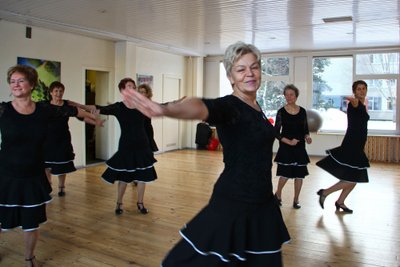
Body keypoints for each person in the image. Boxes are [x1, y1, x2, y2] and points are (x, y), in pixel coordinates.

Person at [122, 41, 290, 267]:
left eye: (255, 67)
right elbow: (201, 106)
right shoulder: (229, 106)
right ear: (230, 76)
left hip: (262, 202)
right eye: (241, 69)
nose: (249, 73)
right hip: (234, 202)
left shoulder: (256, 106)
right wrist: (165, 109)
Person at [0, 65, 99, 267]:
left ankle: (29, 257)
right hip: (6, 176)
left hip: (34, 176)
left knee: (31, 222)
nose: (15, 85)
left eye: (20, 80)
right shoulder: (3, 110)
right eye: (12, 81)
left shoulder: (44, 110)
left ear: (32, 84)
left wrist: (90, 116)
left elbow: (69, 109)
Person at [94, 78, 158, 215]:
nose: (133, 89)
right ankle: (119, 203)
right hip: (126, 146)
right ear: (123, 90)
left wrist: (176, 104)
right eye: (129, 87)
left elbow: (161, 106)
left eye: (134, 87)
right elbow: (101, 108)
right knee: (124, 177)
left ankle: (140, 203)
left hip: (142, 145)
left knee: (142, 177)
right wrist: (78, 106)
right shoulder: (119, 107)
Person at [316, 80, 370, 213]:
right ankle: (325, 192)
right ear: (354, 91)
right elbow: (353, 101)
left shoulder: (363, 103)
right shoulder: (355, 103)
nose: (361, 91)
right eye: (358, 89)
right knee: (352, 179)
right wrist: (352, 99)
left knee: (353, 178)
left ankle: (340, 202)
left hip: (358, 144)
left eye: (363, 89)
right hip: (352, 145)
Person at [44, 81, 103, 197]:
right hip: (47, 139)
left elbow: (81, 116)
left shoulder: (67, 105)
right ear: (51, 92)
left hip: (63, 139)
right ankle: (48, 186)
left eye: (61, 91)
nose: (58, 93)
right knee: (47, 165)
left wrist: (95, 121)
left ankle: (61, 187)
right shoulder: (44, 105)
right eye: (56, 91)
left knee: (62, 164)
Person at [273, 84, 312, 209]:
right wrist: (288, 142)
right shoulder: (281, 112)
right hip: (286, 147)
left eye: (291, 94)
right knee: (285, 174)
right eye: (287, 95)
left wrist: (307, 136)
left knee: (299, 175)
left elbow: (305, 129)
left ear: (296, 96)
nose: (289, 97)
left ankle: (296, 200)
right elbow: (276, 133)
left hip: (300, 147)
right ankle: (278, 195)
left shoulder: (303, 111)